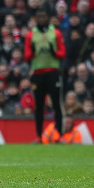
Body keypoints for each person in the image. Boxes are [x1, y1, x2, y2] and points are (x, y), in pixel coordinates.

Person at [24, 9, 66, 141]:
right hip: (38, 73)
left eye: (44, 16)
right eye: (39, 17)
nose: (42, 19)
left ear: (48, 18)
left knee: (56, 104)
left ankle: (59, 134)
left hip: (53, 71)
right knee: (39, 105)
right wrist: (33, 52)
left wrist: (54, 53)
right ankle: (39, 136)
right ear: (36, 19)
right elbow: (26, 55)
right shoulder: (31, 35)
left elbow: (62, 53)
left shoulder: (55, 33)